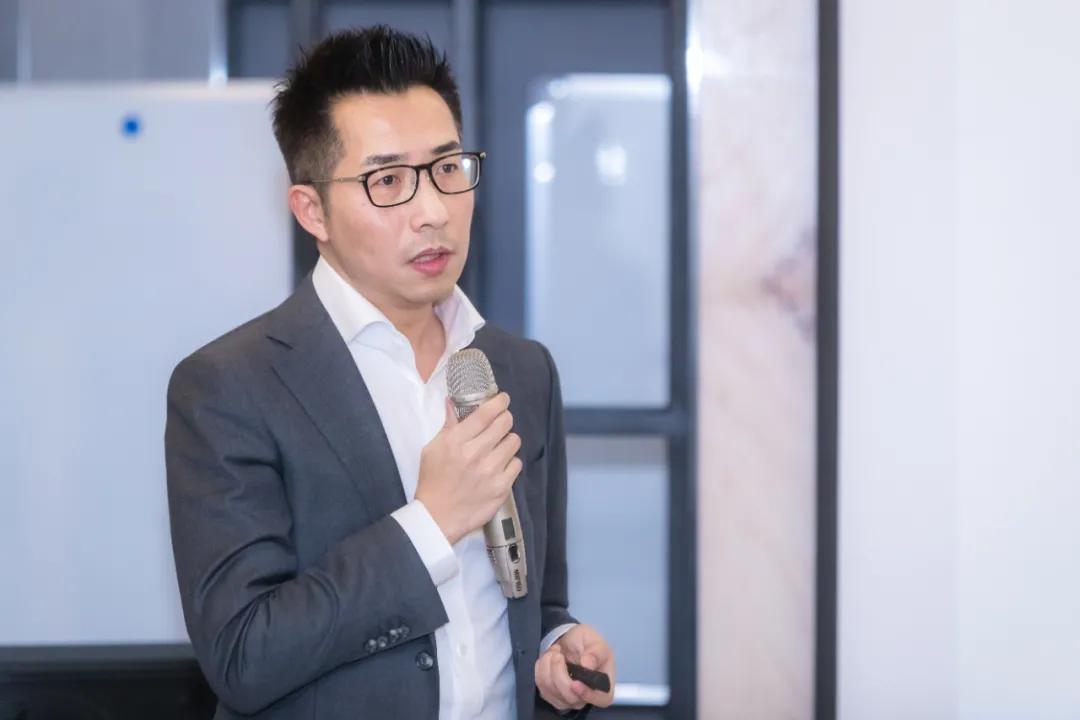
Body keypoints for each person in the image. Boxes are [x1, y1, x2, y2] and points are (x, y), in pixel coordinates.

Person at [164, 25, 616, 719]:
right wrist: (431, 522)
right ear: (312, 210)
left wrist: (555, 644)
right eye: (388, 181)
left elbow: (533, 596)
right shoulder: (230, 387)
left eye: (447, 168)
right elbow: (243, 656)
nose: (433, 212)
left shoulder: (521, 370)